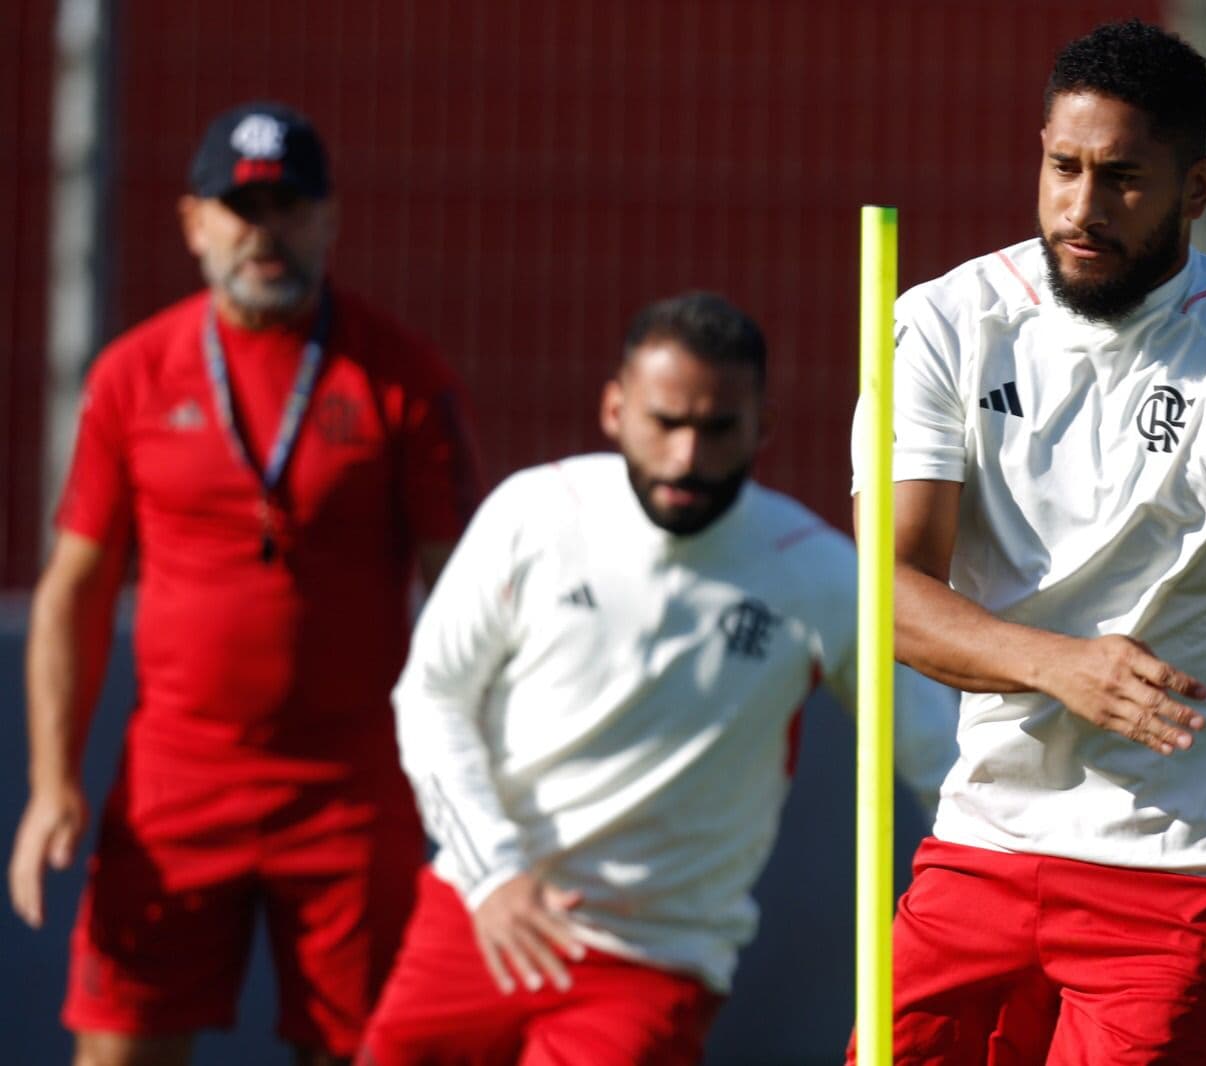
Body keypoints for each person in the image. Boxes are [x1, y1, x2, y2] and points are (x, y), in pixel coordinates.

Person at [849, 19, 1206, 1065]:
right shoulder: (943, 323)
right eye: (1062, 167)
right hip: (983, 847)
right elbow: (886, 590)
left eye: (1122, 179)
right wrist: (1060, 666)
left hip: (1187, 873)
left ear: (1196, 186)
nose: (1080, 210)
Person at [358, 291, 956, 1065]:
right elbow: (432, 696)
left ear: (761, 430)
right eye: (665, 423)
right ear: (614, 410)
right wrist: (492, 874)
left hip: (654, 958)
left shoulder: (819, 575)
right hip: (479, 915)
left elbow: (943, 762)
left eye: (716, 430)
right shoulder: (533, 516)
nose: (686, 459)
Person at [7, 101, 482, 1066]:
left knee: (370, 1052)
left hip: (350, 784)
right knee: (119, 1046)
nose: (264, 233)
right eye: (239, 208)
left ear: (330, 219)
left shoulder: (398, 375)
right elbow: (74, 591)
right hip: (179, 777)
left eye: (290, 207)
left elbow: (468, 595)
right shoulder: (135, 373)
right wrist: (54, 782)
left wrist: (479, 785)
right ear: (193, 223)